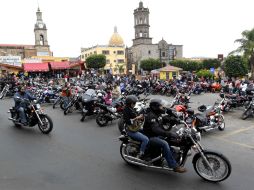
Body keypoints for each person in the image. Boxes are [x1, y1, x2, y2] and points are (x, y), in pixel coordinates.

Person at [143, 99, 187, 173]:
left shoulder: (157, 113)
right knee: (164, 143)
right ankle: (174, 166)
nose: (162, 107)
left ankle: (168, 157)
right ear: (155, 107)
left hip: (156, 135)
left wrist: (176, 120)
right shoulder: (151, 116)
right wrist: (169, 134)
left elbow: (164, 119)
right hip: (150, 136)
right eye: (160, 106)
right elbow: (156, 129)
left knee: (171, 140)